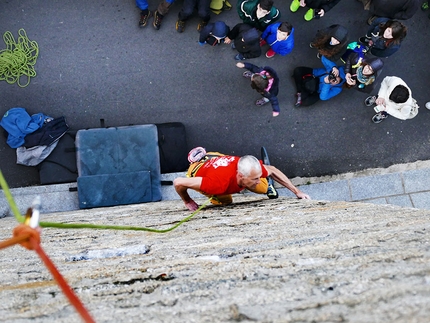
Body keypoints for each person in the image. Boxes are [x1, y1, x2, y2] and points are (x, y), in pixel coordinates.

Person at [174, 151, 310, 211]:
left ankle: (206, 156)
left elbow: (272, 170)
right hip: (198, 169)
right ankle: (197, 159)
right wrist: (188, 201)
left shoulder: (248, 169)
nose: (259, 179)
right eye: (255, 178)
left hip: (215, 157)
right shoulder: (216, 184)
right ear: (240, 176)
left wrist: (297, 191)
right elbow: (179, 182)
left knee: (262, 188)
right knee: (226, 201)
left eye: (259, 176)